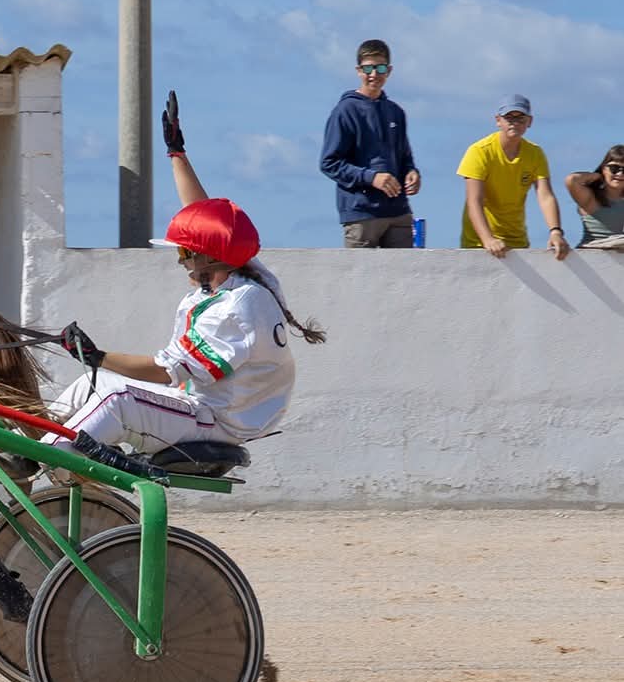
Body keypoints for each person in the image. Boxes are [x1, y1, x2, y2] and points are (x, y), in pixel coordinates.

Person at [48, 92, 326, 461]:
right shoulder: (243, 273)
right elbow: (203, 215)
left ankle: (47, 455)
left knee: (116, 398)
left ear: (209, 259)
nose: (180, 261)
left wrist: (97, 356)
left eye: (183, 254)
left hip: (218, 421)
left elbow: (165, 373)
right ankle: (26, 440)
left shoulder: (237, 307)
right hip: (201, 408)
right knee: (90, 386)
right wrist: (177, 153)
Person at [319, 38, 420, 247]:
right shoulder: (345, 111)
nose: (374, 74)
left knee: (404, 277)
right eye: (368, 68)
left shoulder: (396, 112)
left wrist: (412, 173)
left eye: (380, 67)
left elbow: (405, 158)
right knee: (359, 278)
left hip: (398, 212)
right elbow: (329, 163)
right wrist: (371, 177)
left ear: (389, 71)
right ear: (358, 70)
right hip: (361, 214)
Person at [457, 96, 571, 260]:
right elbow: (474, 200)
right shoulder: (479, 151)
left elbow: (545, 195)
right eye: (509, 117)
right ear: (498, 120)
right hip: (478, 243)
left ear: (529, 121)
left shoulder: (535, 153)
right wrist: (488, 239)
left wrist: (555, 231)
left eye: (520, 118)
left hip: (517, 241)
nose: (514, 123)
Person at [562, 144, 624, 250]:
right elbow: (571, 180)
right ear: (604, 169)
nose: (620, 173)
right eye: (614, 168)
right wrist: (597, 175)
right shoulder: (591, 198)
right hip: (592, 253)